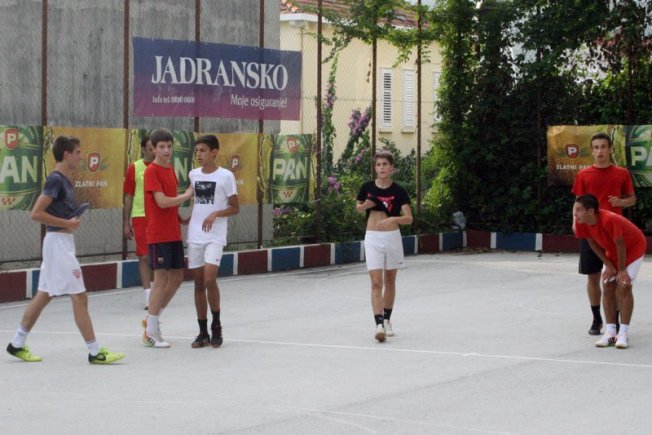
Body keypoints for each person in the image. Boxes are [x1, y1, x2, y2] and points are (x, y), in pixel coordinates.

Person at [6, 136, 125, 364]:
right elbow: (36, 214)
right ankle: (95, 352)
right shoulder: (55, 180)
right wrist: (67, 223)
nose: (81, 157)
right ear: (67, 154)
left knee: (44, 294)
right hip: (58, 244)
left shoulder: (65, 181)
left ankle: (16, 344)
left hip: (60, 242)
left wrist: (70, 220)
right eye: (78, 152)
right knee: (79, 296)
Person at [571, 132, 636, 335]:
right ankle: (596, 318)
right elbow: (577, 202)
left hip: (614, 233)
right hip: (590, 232)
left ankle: (613, 320)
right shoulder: (583, 175)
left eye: (603, 147)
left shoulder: (621, 173)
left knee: (615, 276)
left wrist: (622, 202)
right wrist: (575, 221)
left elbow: (632, 199)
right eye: (596, 147)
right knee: (593, 276)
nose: (600, 151)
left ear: (610, 149)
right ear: (592, 151)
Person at [572, 194, 646, 349]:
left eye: (579, 210)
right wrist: (609, 265)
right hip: (613, 251)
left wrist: (621, 270)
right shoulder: (581, 222)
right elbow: (592, 243)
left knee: (624, 285)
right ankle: (611, 332)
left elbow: (621, 245)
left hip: (633, 248)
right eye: (575, 209)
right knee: (607, 284)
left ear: (591, 211)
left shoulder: (608, 219)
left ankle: (623, 333)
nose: (575, 214)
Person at [186, 135, 239, 348]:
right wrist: (188, 218)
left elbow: (235, 208)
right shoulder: (193, 175)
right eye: (197, 151)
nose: (199, 154)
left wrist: (216, 213)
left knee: (209, 279)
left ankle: (216, 324)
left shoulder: (226, 176)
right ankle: (202, 332)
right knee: (198, 283)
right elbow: (199, 203)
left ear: (214, 152)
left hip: (215, 236)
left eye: (203, 150)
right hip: (195, 235)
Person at [142, 128, 193, 348]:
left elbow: (168, 204)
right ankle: (151, 332)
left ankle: (152, 320)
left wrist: (179, 218)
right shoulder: (151, 171)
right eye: (161, 147)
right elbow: (162, 201)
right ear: (153, 149)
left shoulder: (170, 169)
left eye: (169, 146)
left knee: (178, 277)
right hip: (158, 234)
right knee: (160, 279)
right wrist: (186, 195)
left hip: (173, 232)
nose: (166, 151)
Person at [355, 150, 413, 342]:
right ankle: (378, 324)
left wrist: (393, 219)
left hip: (392, 237)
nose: (381, 168)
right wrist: (365, 206)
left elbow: (409, 218)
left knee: (390, 280)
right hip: (372, 237)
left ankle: (387, 320)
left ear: (392, 168)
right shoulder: (367, 187)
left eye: (385, 164)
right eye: (378, 165)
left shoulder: (399, 191)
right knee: (375, 282)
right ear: (375, 168)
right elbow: (358, 207)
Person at [123, 135, 156, 309]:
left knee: (156, 257)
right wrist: (126, 222)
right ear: (143, 149)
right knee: (144, 256)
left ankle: (157, 292)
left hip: (158, 217)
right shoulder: (134, 168)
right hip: (140, 216)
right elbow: (128, 196)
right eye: (150, 148)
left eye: (156, 147)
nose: (154, 151)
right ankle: (148, 296)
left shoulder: (164, 167)